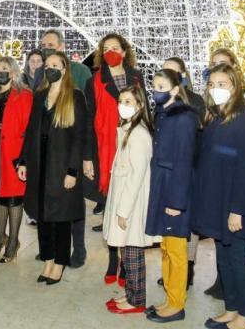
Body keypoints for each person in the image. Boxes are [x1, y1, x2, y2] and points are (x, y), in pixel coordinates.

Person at [193, 64, 245, 329]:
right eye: (212, 84)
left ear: (235, 87)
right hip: (216, 199)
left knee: (237, 256)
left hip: (235, 202)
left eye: (222, 84)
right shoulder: (215, 117)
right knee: (223, 255)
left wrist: (237, 209)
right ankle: (232, 307)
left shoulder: (244, 119)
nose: (216, 89)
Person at [16, 51, 87, 285]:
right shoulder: (40, 95)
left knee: (61, 217)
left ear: (65, 69)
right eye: (48, 65)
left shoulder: (75, 96)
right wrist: (23, 161)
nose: (50, 68)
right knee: (43, 216)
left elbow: (79, 137)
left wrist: (73, 171)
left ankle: (59, 262)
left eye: (55, 65)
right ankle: (47, 258)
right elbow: (30, 129)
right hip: (39, 163)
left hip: (61, 164)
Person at [84, 33, 145, 284]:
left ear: (124, 51)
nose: (110, 52)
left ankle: (128, 264)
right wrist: (87, 157)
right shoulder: (95, 80)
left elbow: (145, 111)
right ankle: (113, 261)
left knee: (128, 206)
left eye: (115, 48)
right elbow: (88, 120)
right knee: (111, 207)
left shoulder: (136, 77)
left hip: (132, 146)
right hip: (105, 148)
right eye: (105, 48)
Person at [145, 69, 198, 323]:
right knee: (166, 246)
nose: (157, 89)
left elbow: (185, 160)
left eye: (162, 85)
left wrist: (177, 202)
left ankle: (177, 304)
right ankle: (169, 298)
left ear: (176, 89)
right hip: (163, 186)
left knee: (176, 250)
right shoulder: (163, 113)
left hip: (175, 192)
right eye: (154, 85)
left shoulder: (184, 118)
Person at [41, 29, 93, 267]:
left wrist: (83, 158)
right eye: (44, 45)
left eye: (51, 45)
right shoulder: (40, 73)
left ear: (61, 46)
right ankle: (51, 247)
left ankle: (78, 248)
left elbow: (82, 121)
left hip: (69, 147)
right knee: (50, 202)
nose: (46, 48)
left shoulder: (79, 71)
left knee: (72, 202)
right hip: (49, 151)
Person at [103, 87, 158, 314]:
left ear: (139, 105)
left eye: (128, 101)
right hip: (125, 199)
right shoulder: (127, 129)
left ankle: (137, 300)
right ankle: (131, 295)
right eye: (120, 100)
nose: (122, 105)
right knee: (127, 251)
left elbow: (136, 176)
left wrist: (123, 210)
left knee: (133, 251)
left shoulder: (139, 134)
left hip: (132, 204)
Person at [160, 57, 204, 291]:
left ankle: (187, 267)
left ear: (183, 76)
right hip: (168, 171)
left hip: (190, 168)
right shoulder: (163, 102)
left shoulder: (194, 102)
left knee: (188, 225)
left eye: (174, 71)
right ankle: (173, 270)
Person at [0, 56, 32, 263]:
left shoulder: (24, 95)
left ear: (13, 72)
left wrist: (23, 159)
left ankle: (13, 243)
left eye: (4, 68)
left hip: (13, 155)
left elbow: (28, 129)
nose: (0, 72)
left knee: (13, 199)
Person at [209, 48, 245, 119]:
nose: (217, 68)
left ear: (234, 66)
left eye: (222, 64)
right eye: (214, 64)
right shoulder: (210, 93)